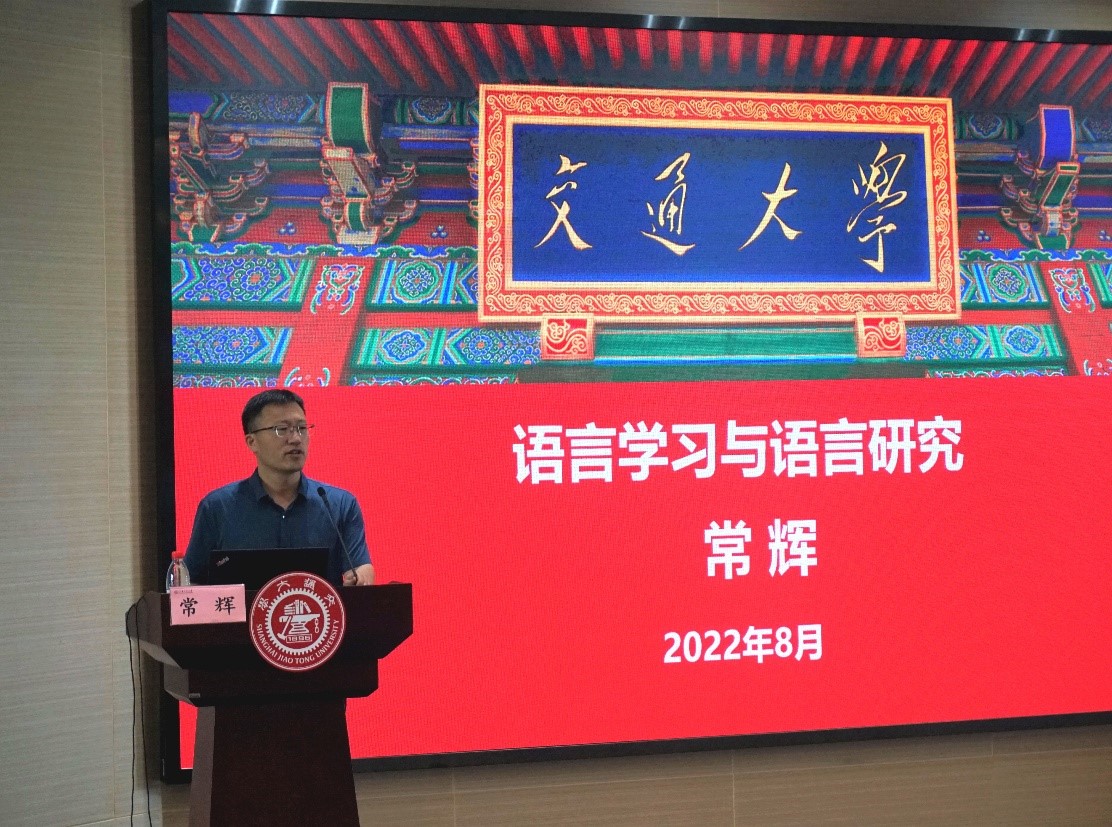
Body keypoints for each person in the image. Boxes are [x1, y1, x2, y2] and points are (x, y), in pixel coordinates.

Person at [183, 389, 374, 587]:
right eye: (282, 429)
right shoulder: (217, 507)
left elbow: (360, 568)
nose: (296, 438)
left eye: (301, 428)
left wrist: (360, 578)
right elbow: (191, 583)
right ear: (252, 442)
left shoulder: (340, 504)